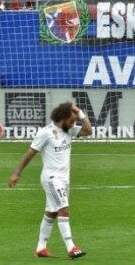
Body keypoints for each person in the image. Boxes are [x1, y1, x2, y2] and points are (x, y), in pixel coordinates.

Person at [8, 102, 92, 259]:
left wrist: (79, 112)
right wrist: (17, 173)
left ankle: (41, 248)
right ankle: (71, 247)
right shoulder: (45, 133)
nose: (75, 123)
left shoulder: (68, 131)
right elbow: (30, 154)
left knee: (51, 212)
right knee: (63, 209)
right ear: (63, 118)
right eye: (72, 120)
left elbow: (88, 130)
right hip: (52, 179)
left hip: (64, 179)